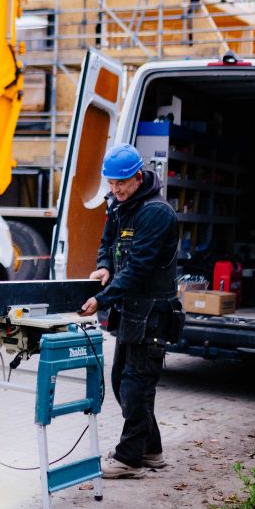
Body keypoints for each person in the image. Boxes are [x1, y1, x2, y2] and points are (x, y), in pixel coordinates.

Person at [79, 143, 181, 480]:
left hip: (152, 312)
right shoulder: (119, 205)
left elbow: (139, 267)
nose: (115, 189)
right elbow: (106, 244)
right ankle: (151, 449)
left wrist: (103, 299)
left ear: (138, 177)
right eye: (110, 183)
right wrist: (104, 266)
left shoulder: (156, 213)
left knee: (137, 385)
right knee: (123, 382)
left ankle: (130, 458)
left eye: (121, 183)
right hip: (131, 311)